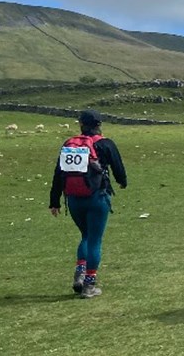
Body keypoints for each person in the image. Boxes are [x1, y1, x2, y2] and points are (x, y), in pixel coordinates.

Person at [48, 109, 127, 299]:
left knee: (85, 235)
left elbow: (59, 173)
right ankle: (89, 285)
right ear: (99, 124)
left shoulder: (69, 145)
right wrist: (122, 182)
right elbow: (119, 171)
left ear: (80, 124)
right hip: (97, 198)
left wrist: (54, 201)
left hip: (74, 199)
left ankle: (80, 272)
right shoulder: (105, 144)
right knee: (94, 239)